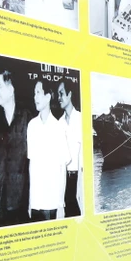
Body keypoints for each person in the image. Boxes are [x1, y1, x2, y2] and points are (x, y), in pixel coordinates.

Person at [0, 71, 31, 227]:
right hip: (1, 197)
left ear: (11, 89)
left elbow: (32, 160)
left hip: (21, 199)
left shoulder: (27, 118)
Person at [27, 80, 70, 221]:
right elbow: (31, 165)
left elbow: (62, 168)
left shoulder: (58, 128)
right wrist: (30, 200)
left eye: (38, 93)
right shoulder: (32, 126)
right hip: (36, 202)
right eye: (34, 93)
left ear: (48, 97)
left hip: (51, 203)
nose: (35, 97)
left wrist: (60, 205)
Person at [57, 79, 83, 217]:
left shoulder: (81, 119)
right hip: (64, 180)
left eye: (61, 94)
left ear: (70, 94)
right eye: (58, 94)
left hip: (78, 179)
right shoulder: (59, 123)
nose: (58, 98)